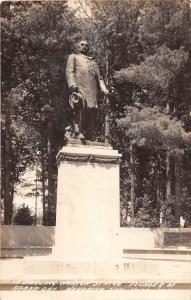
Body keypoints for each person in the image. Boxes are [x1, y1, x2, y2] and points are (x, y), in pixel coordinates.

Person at [65, 40, 109, 141]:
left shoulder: (93, 62)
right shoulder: (73, 57)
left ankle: (90, 133)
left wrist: (103, 88)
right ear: (77, 46)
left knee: (91, 111)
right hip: (79, 88)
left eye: (87, 45)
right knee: (79, 108)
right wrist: (72, 85)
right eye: (82, 44)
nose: (85, 46)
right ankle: (77, 131)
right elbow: (69, 72)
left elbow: (99, 77)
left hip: (92, 90)